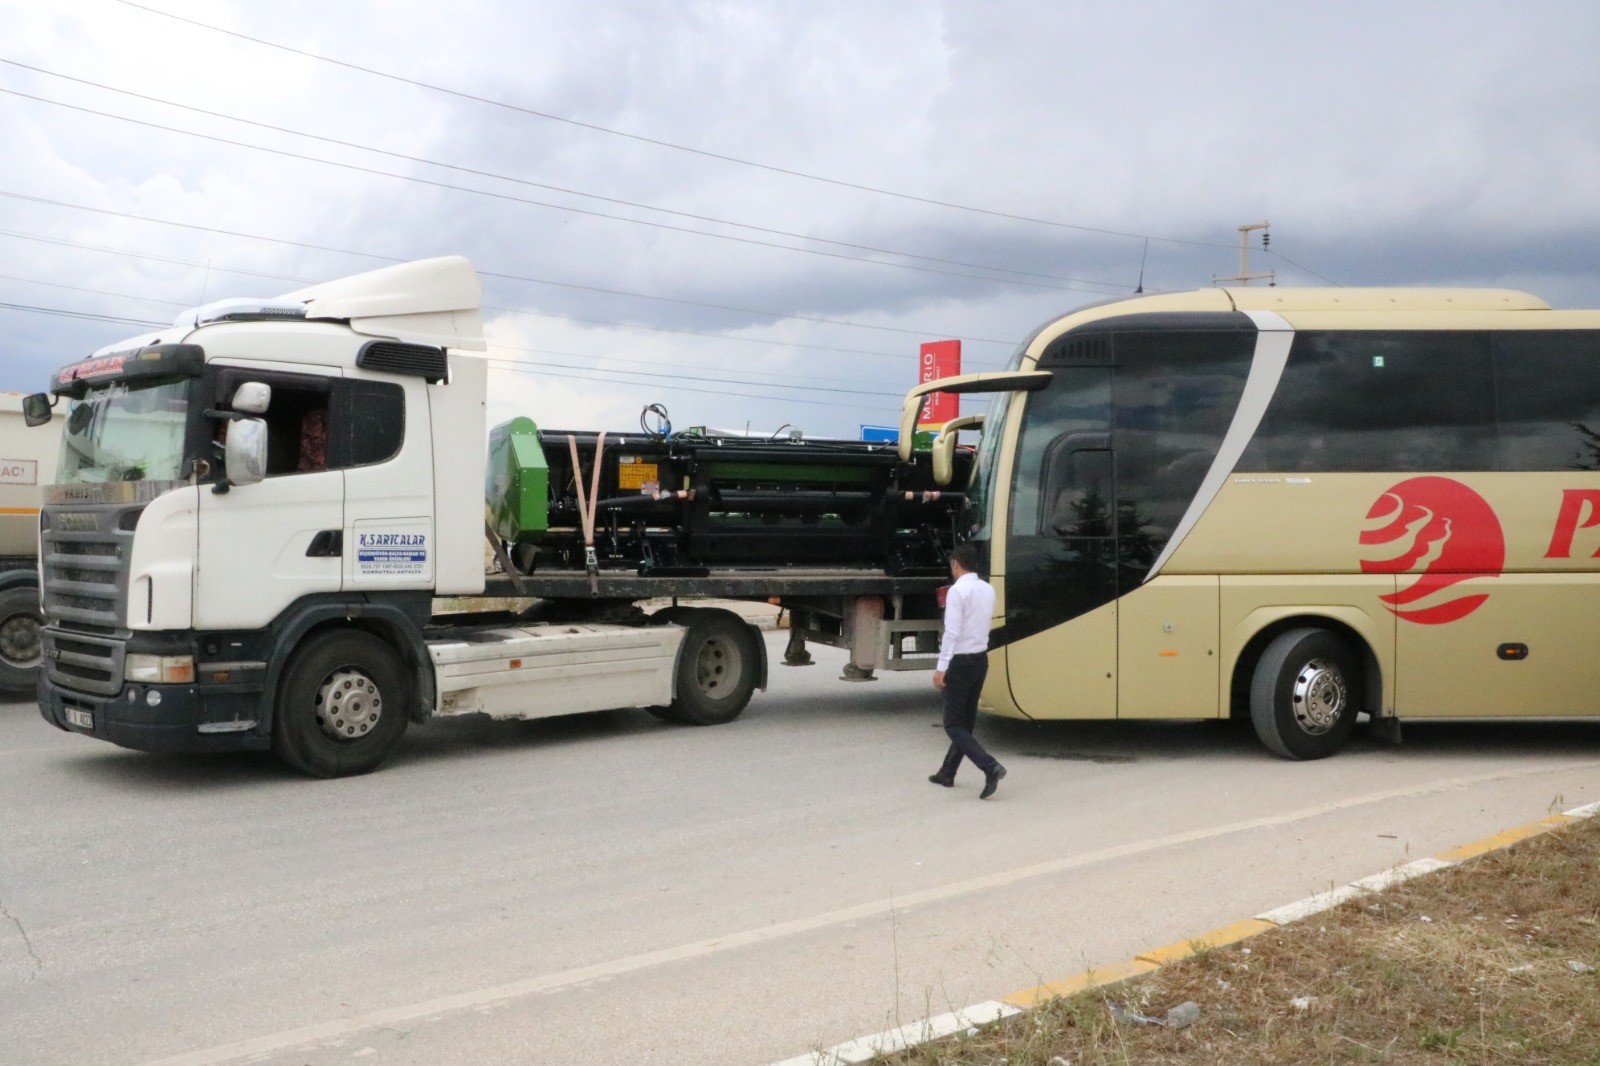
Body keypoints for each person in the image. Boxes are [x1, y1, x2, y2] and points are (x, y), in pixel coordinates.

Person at [929, 542, 1006, 799]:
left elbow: (951, 632)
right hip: (980, 660)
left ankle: (990, 766)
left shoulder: (957, 591)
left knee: (952, 724)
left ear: (955, 564)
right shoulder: (987, 589)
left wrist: (941, 668)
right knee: (966, 722)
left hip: (959, 662)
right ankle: (947, 773)